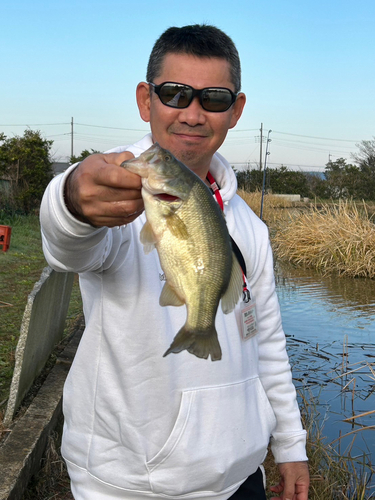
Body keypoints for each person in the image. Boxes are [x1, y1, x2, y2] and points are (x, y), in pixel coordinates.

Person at [40, 24, 309, 500]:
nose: (193, 113)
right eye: (175, 93)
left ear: (236, 111)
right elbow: (69, 245)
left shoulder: (250, 226)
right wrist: (70, 201)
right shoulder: (122, 192)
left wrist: (289, 444)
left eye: (214, 98)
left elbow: (265, 339)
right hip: (132, 486)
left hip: (242, 476)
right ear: (147, 100)